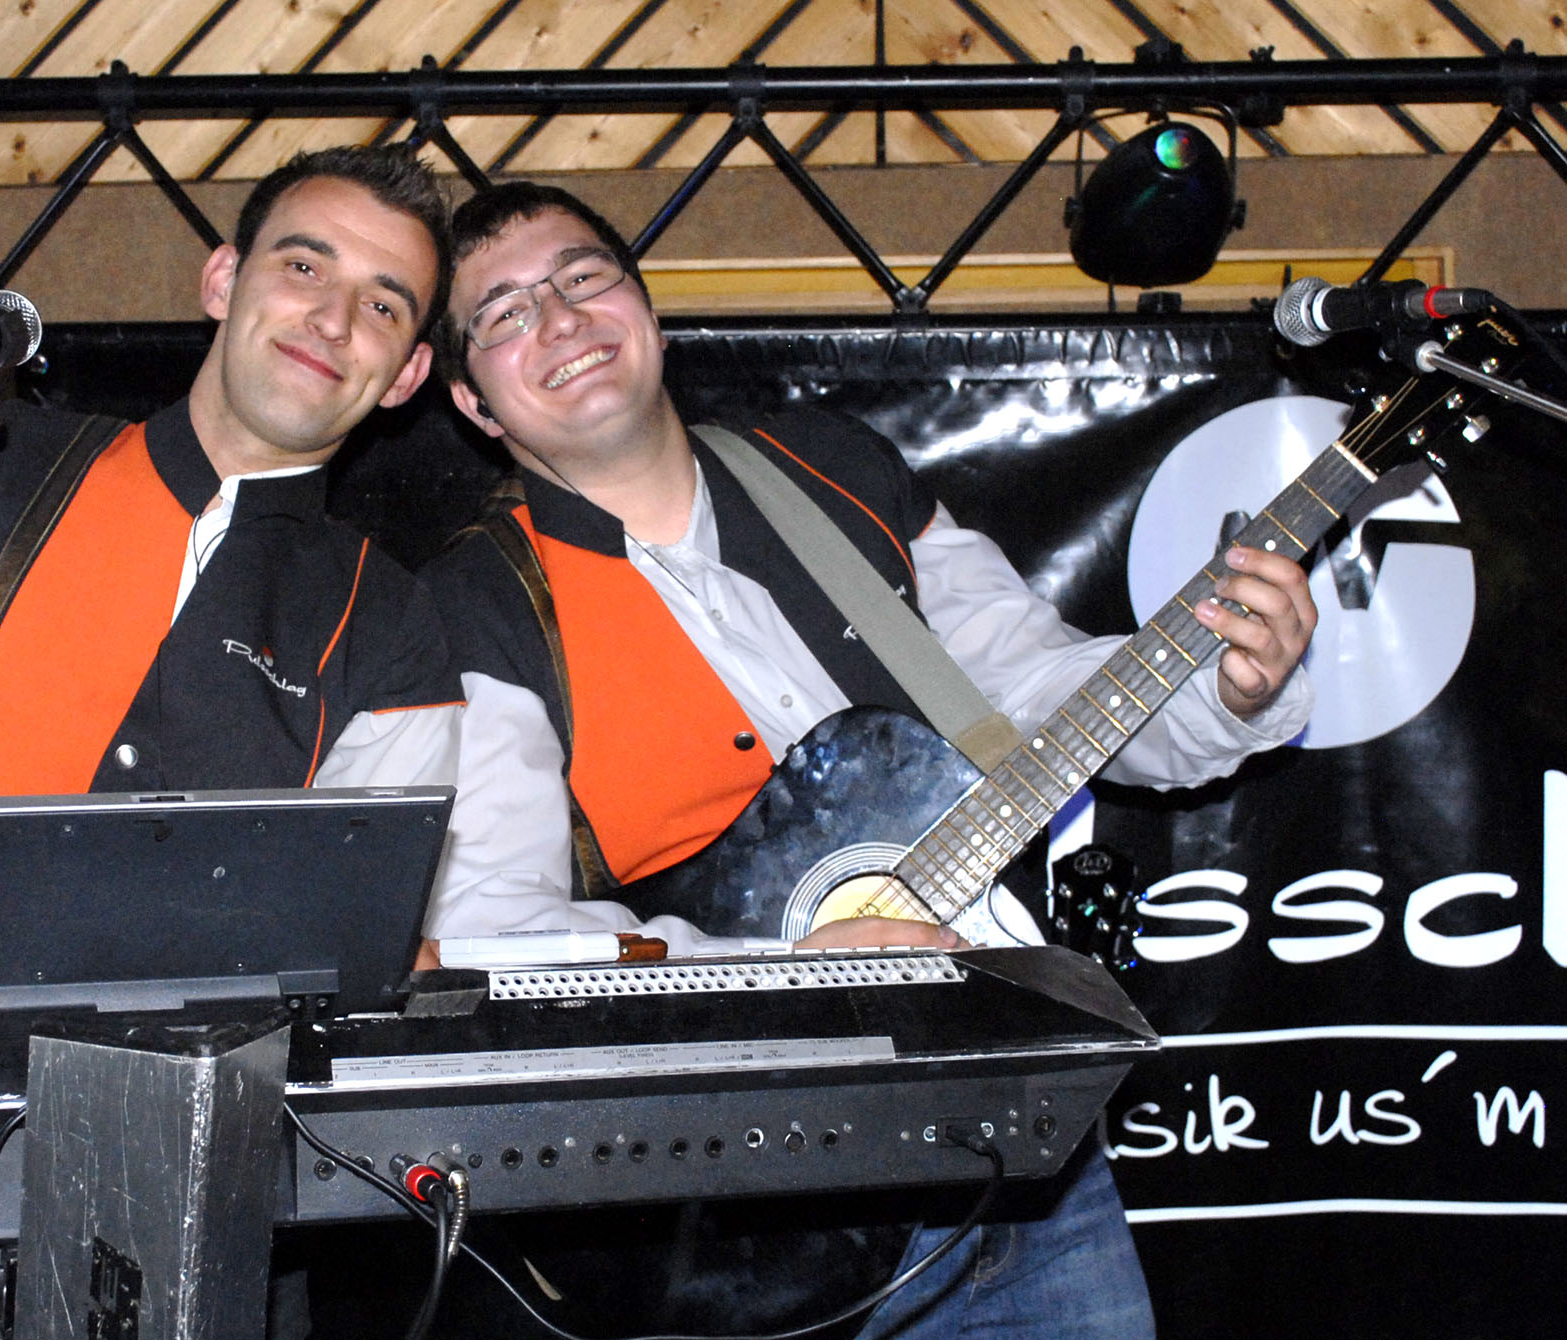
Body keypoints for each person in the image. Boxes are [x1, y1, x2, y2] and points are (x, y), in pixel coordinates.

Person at [418, 182, 1318, 1337]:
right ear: (470, 399)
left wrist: (1223, 685)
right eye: (503, 313)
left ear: (645, 307)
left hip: (1019, 1154)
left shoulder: (833, 468)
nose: (559, 318)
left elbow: (1028, 685)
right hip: (749, 1221)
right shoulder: (474, 603)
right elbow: (494, 926)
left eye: (584, 276)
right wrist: (775, 967)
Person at [0, 144, 461, 988]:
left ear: (407, 374)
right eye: (304, 266)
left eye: (381, 306)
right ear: (223, 281)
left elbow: (350, 909)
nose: (333, 320)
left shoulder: (392, 626)